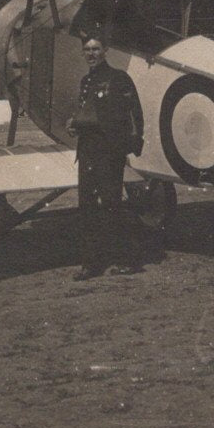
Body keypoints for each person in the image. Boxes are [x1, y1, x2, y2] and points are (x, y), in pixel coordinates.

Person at [65, 33, 145, 280]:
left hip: (109, 152)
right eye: (87, 50)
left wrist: (130, 145)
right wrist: (75, 123)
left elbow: (134, 115)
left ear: (105, 50)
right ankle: (91, 264)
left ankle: (129, 260)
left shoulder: (119, 78)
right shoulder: (86, 82)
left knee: (113, 205)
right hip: (87, 150)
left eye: (96, 49)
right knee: (87, 208)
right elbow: (88, 112)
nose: (91, 54)